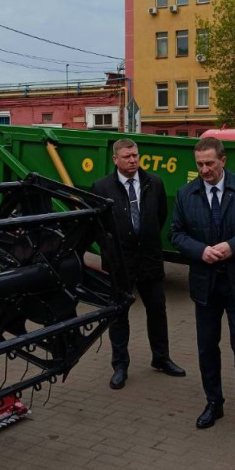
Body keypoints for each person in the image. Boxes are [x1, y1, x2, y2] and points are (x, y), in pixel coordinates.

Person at [171, 137, 235, 440]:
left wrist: (233, 246)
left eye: (210, 164)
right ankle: (214, 402)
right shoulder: (186, 193)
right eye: (199, 164)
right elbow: (176, 234)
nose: (204, 170)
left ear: (223, 161)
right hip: (205, 285)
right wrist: (200, 250)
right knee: (206, 347)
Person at [92, 139, 186, 389]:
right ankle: (120, 366)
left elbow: (159, 215)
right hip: (119, 263)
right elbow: (97, 226)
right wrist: (112, 250)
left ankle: (161, 358)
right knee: (118, 313)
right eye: (127, 157)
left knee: (157, 310)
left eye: (135, 155)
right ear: (116, 160)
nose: (133, 160)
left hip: (149, 259)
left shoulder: (154, 183)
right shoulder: (101, 187)